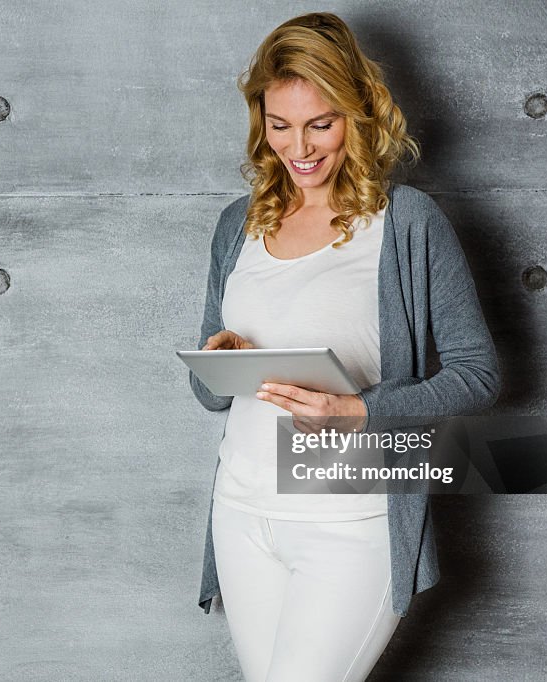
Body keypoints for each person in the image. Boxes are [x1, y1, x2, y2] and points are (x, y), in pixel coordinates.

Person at [188, 12, 501, 682]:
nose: (298, 146)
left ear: (358, 114)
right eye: (279, 126)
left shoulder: (408, 222)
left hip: (352, 511)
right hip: (243, 511)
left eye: (319, 123)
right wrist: (224, 354)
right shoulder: (236, 226)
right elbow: (208, 393)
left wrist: (358, 411)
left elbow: (479, 376)